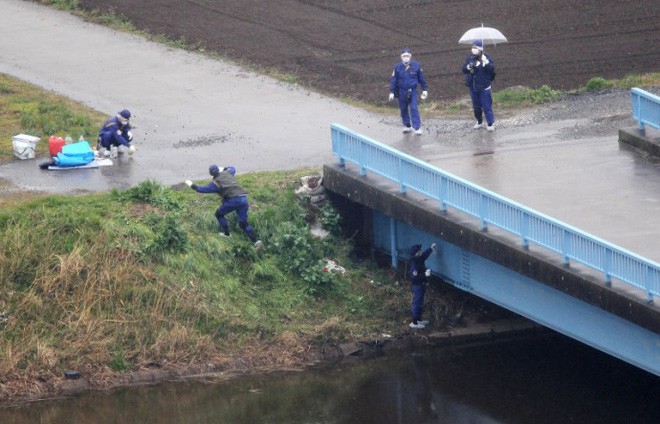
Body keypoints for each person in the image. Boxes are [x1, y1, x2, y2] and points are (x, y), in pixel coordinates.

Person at [185, 165, 263, 249]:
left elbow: (200, 189)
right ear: (219, 170)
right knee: (243, 223)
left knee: (219, 214)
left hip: (233, 201)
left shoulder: (215, 183)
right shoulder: (228, 172)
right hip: (243, 199)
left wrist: (190, 184)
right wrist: (224, 168)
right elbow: (233, 168)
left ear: (211, 174)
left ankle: (227, 234)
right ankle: (255, 241)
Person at [389, 48, 428, 135]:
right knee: (403, 109)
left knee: (414, 108)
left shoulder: (416, 65)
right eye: (404, 56)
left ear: (410, 56)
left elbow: (421, 78)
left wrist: (424, 89)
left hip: (413, 91)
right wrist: (392, 92)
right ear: (401, 57)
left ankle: (417, 127)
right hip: (402, 91)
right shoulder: (397, 67)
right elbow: (394, 80)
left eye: (407, 56)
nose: (406, 58)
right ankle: (407, 125)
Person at [462, 40, 496, 131]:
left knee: (486, 106)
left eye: (475, 47)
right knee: (476, 106)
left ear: (480, 48)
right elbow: (464, 69)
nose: (473, 49)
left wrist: (486, 63)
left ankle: (490, 123)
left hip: (484, 86)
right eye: (472, 47)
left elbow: (491, 70)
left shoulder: (487, 58)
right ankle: (479, 121)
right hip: (473, 86)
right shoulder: (470, 58)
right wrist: (469, 67)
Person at [407, 243, 436, 329]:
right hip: (418, 286)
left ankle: (419, 319)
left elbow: (424, 256)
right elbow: (413, 277)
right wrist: (424, 274)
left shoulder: (418, 259)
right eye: (419, 250)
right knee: (417, 303)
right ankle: (414, 322)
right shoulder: (414, 264)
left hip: (421, 285)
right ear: (416, 253)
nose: (421, 251)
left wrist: (430, 249)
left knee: (420, 303)